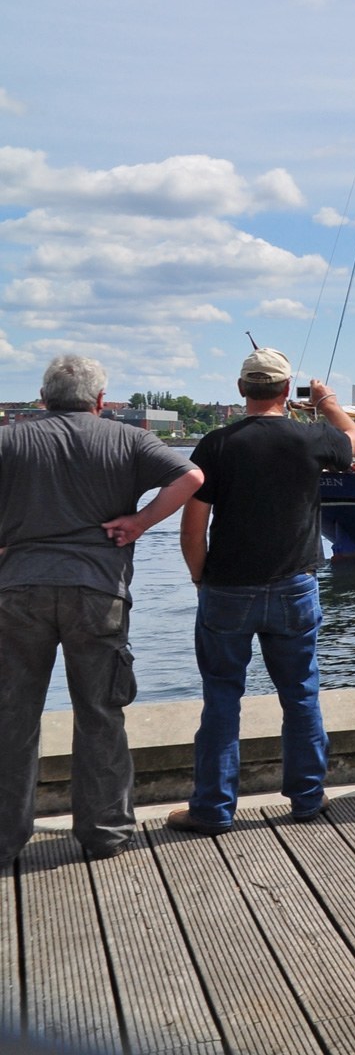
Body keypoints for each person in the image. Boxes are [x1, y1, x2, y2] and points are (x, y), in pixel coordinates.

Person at [0, 355, 203, 866]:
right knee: (100, 713)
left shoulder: (11, 438)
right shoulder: (129, 439)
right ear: (99, 401)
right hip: (99, 592)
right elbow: (191, 476)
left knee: (12, 716)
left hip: (20, 591)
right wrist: (138, 522)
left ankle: (4, 838)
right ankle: (104, 832)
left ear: (42, 398)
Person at [170, 350, 355, 834]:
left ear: (242, 391)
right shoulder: (311, 438)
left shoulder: (213, 446)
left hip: (227, 589)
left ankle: (213, 809)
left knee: (221, 697)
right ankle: (306, 798)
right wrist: (327, 401)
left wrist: (201, 578)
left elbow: (193, 531)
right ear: (285, 391)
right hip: (294, 587)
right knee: (300, 694)